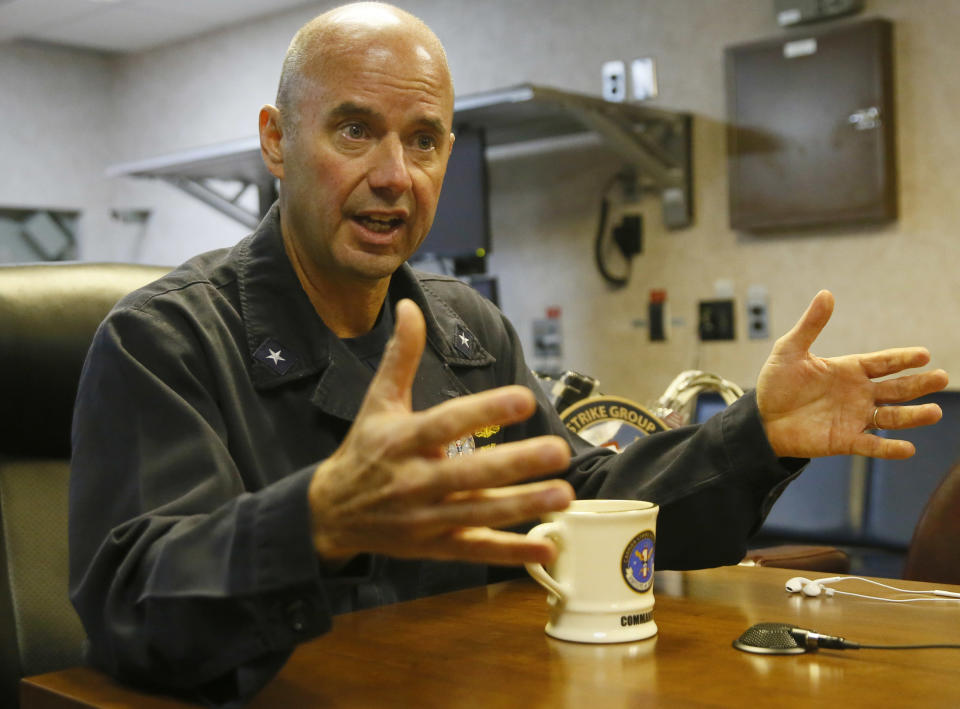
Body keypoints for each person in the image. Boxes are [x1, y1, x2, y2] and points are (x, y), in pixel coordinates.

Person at [69, 2, 948, 705]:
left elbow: (581, 510)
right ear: (275, 139)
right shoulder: (165, 338)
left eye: (423, 140)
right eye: (353, 130)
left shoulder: (467, 331)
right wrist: (315, 520)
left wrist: (759, 434)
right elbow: (131, 605)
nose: (393, 174)